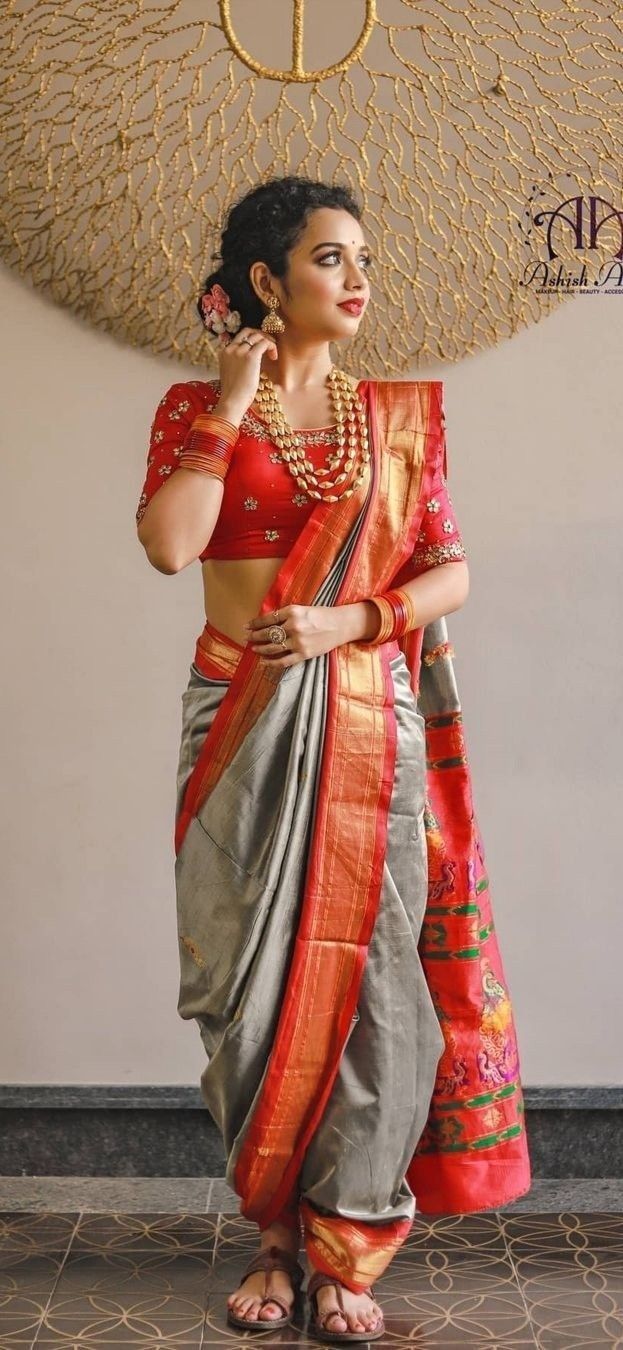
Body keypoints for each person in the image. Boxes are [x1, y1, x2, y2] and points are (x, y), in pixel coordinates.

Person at [135, 174, 531, 1342]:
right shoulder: (192, 406)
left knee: (373, 985)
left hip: (362, 712)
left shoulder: (392, 420)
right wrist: (230, 402)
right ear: (266, 280)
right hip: (237, 713)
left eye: (361, 259)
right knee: (238, 988)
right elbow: (169, 548)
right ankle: (272, 1236)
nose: (357, 280)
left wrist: (343, 624)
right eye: (329, 259)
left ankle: (346, 1249)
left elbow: (448, 572)